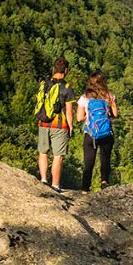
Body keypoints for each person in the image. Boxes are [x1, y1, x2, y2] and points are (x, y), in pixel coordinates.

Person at [34, 57, 76, 192]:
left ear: (54, 68)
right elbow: (69, 112)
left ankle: (43, 180)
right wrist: (71, 127)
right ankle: (55, 185)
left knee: (43, 152)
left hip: (43, 122)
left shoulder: (44, 83)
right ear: (66, 70)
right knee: (58, 156)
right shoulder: (67, 88)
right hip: (60, 125)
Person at [77, 71, 119, 193]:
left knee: (88, 162)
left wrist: (88, 115)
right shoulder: (109, 96)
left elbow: (79, 118)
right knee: (105, 159)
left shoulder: (84, 98)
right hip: (106, 133)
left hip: (90, 134)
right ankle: (104, 182)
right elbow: (115, 114)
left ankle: (85, 189)